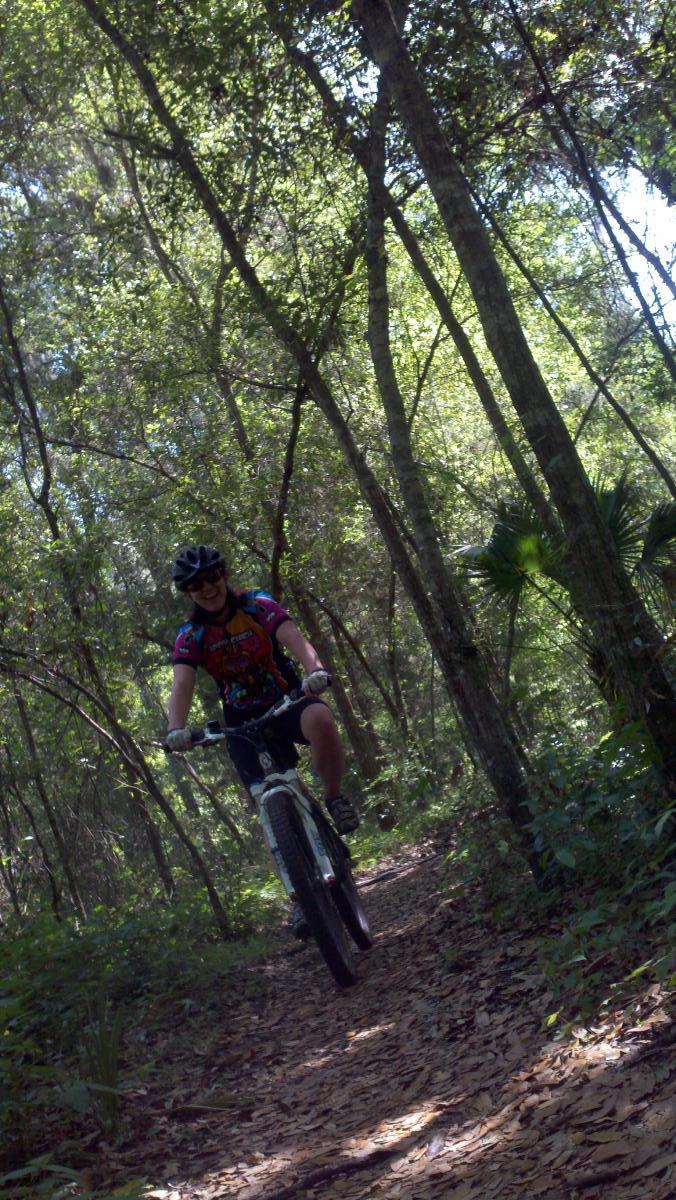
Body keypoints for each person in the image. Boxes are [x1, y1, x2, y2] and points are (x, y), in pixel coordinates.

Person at [166, 545, 359, 934]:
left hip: (286, 699)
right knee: (265, 804)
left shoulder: (257, 605)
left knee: (321, 717)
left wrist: (315, 669)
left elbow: (295, 639)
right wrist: (176, 729)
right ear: (188, 594)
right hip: (241, 721)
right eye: (195, 585)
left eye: (212, 578)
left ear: (224, 575)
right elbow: (182, 684)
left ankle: (334, 797)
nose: (207, 589)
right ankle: (299, 899)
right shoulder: (191, 635)